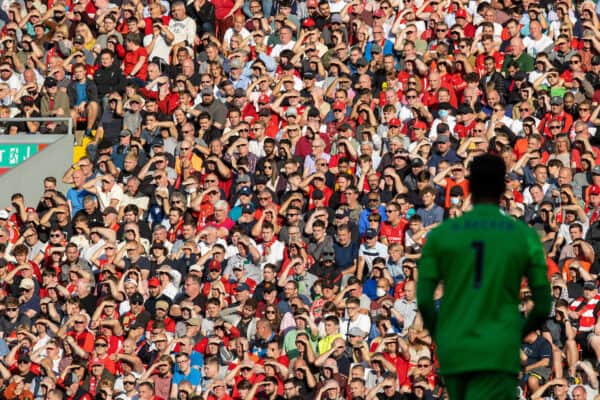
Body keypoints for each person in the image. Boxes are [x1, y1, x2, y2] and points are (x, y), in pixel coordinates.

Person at [417, 154, 552, 399]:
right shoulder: (523, 235)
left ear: (471, 186)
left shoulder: (442, 234)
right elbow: (543, 303)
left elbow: (424, 299)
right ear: (502, 187)